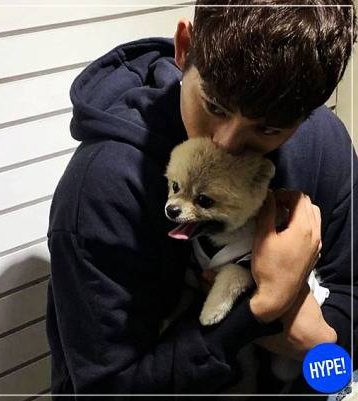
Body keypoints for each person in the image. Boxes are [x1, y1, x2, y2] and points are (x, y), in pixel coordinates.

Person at [46, 0, 357, 398]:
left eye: (267, 129)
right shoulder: (104, 185)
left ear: (308, 112)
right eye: (214, 105)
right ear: (184, 47)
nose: (225, 143)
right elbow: (104, 389)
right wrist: (261, 309)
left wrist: (319, 345)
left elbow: (348, 310)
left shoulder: (324, 141)